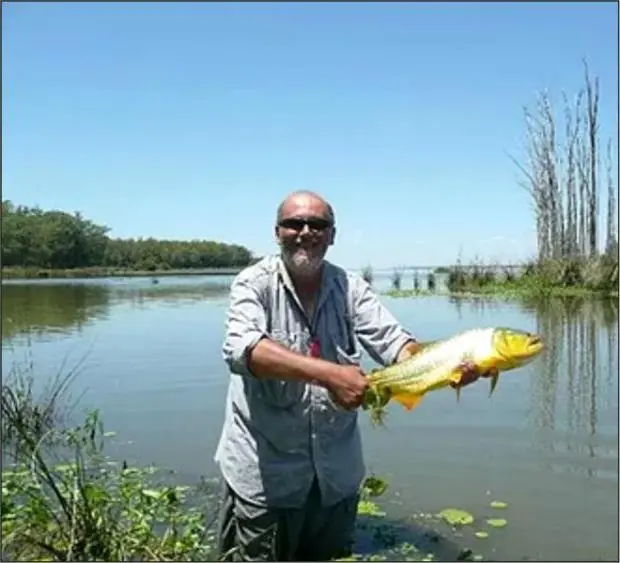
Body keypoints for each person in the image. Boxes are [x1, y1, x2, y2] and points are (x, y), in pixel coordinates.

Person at [214, 190, 485, 562]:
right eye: (295, 223)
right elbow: (243, 350)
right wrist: (329, 375)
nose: (306, 231)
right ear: (277, 232)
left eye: (318, 224)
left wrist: (445, 366)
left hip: (335, 482)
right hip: (266, 481)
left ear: (332, 235)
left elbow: (397, 345)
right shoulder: (253, 283)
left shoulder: (350, 288)